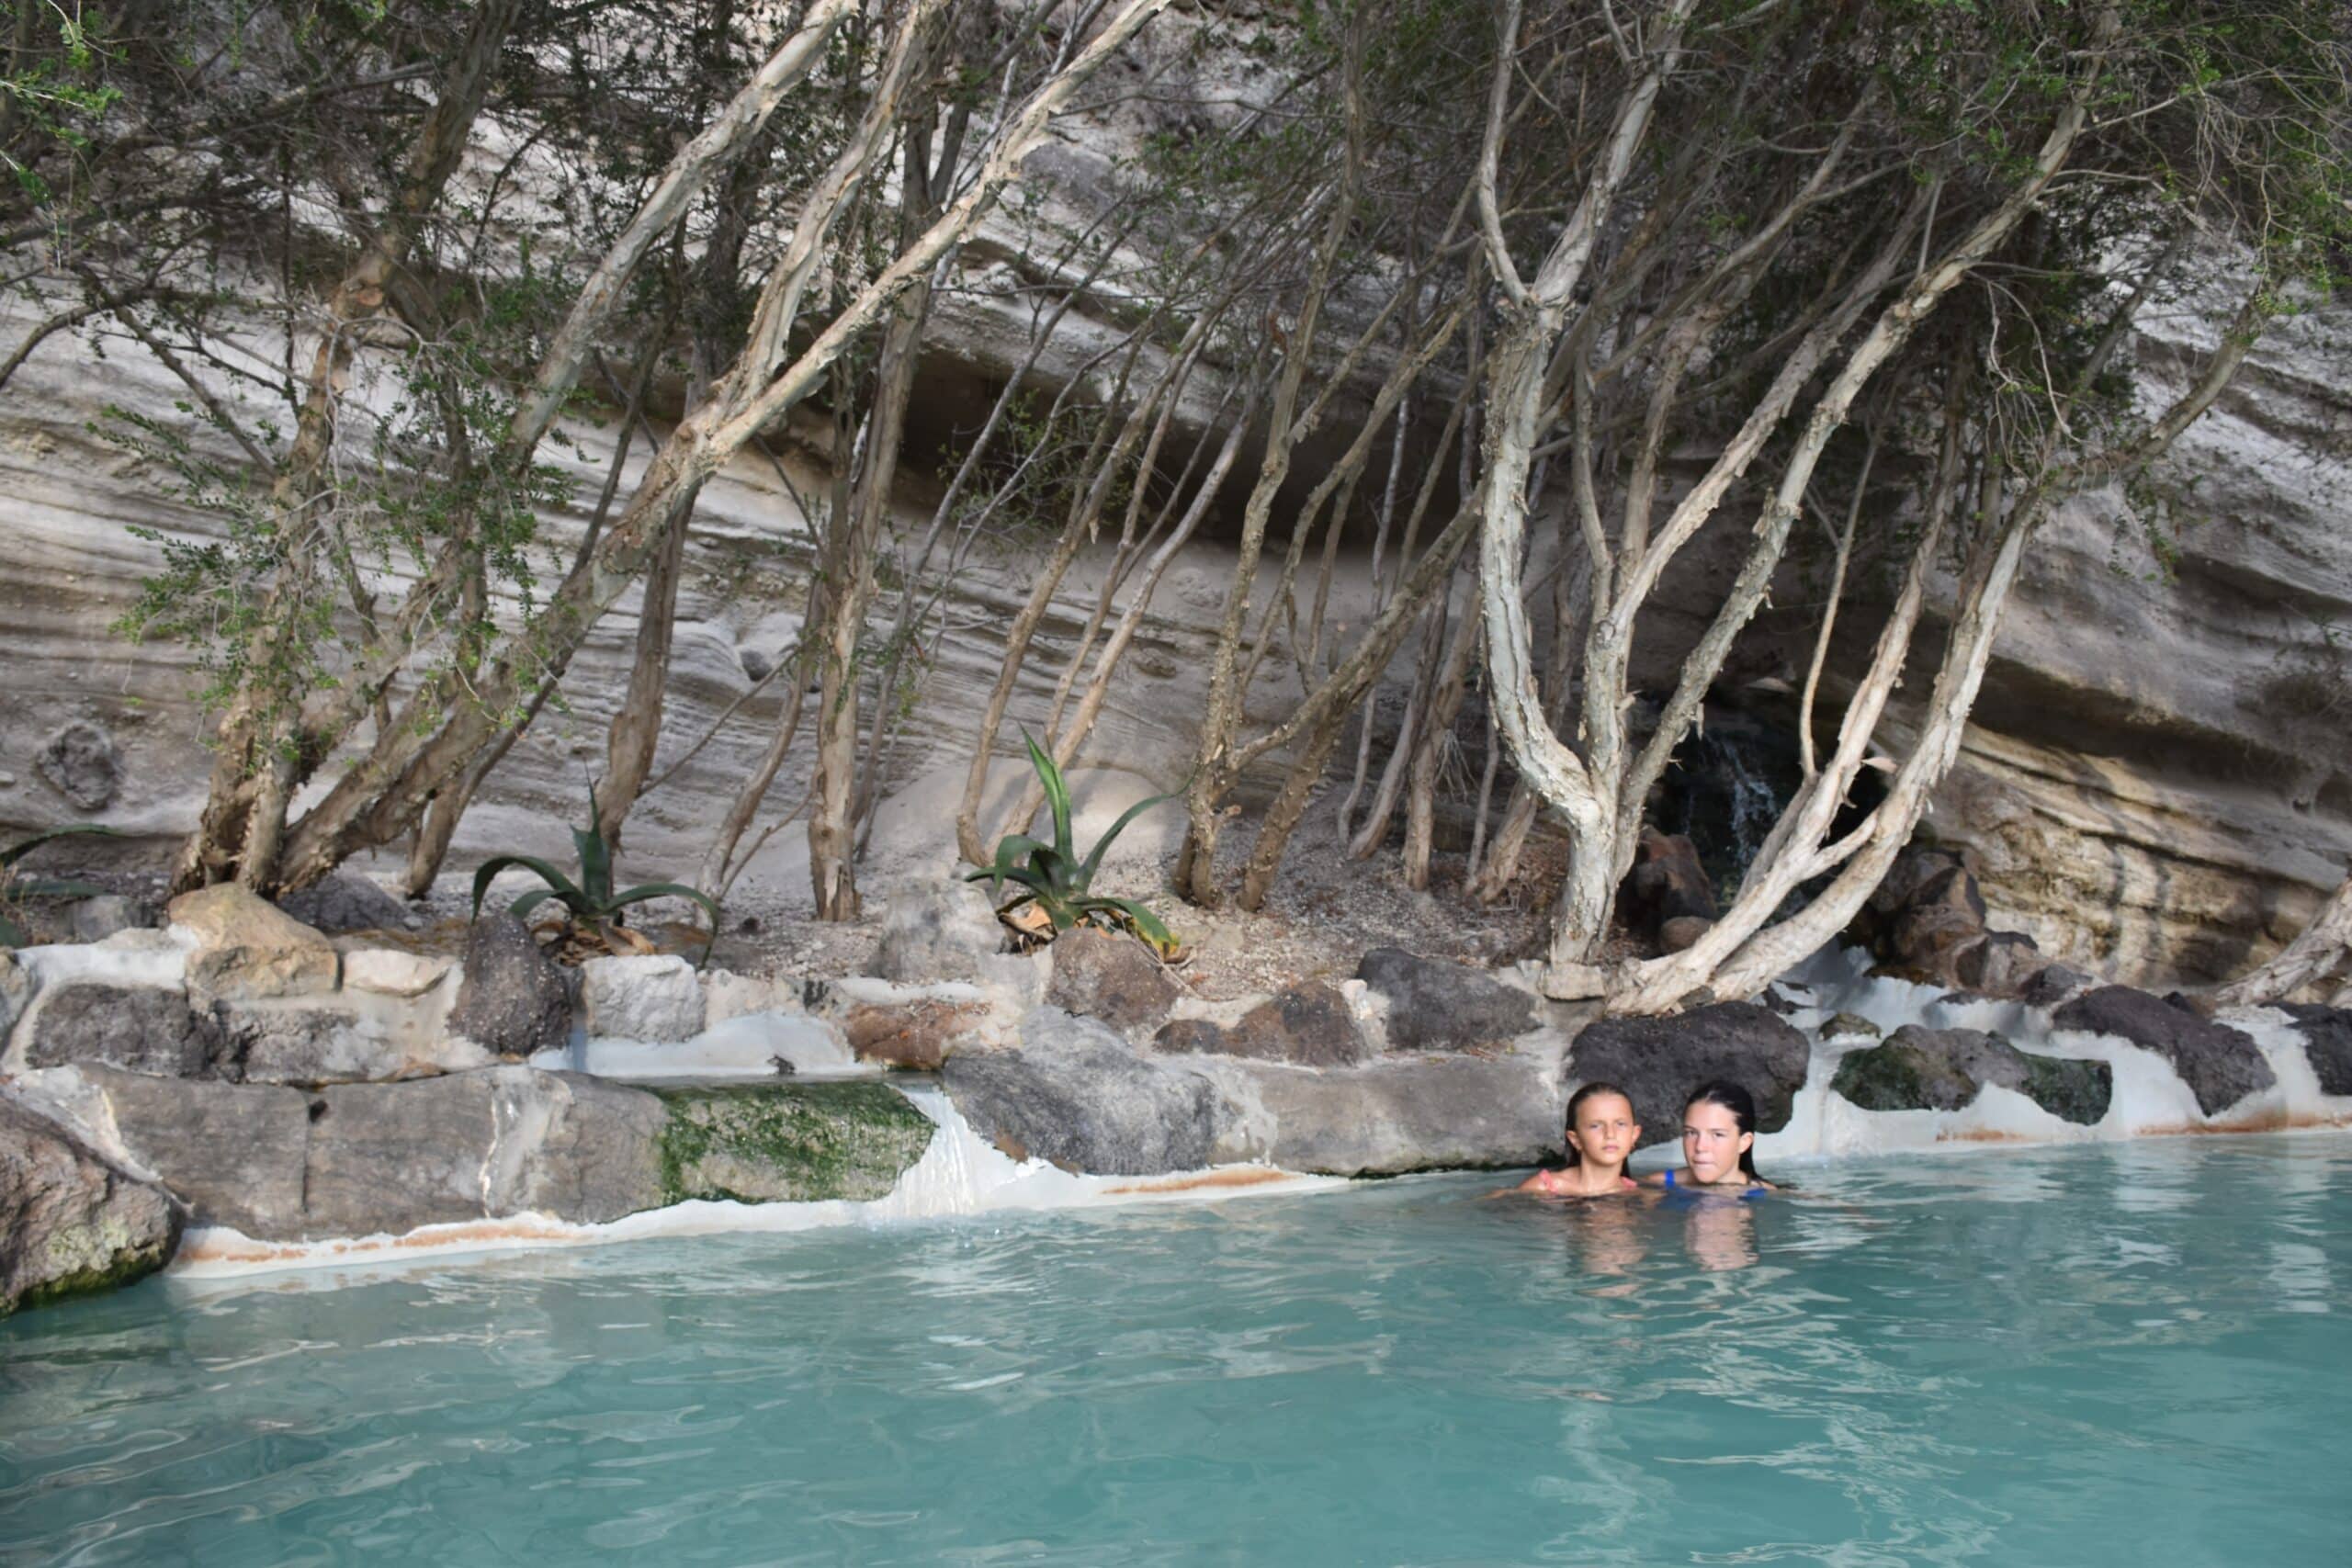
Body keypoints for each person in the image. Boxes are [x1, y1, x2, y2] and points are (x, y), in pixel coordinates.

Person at [1643, 1080, 1776, 1194]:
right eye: (1691, 1133)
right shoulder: (1653, 1187)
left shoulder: (1769, 1196)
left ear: (1744, 1142)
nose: (1700, 1147)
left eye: (1717, 1134)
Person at [1515, 1081, 1643, 1197]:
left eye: (1620, 1124)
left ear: (1634, 1135)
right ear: (1575, 1139)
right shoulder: (1542, 1188)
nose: (1610, 1134)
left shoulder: (1638, 1197)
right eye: (1595, 1126)